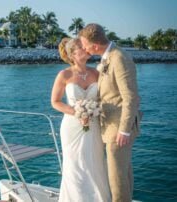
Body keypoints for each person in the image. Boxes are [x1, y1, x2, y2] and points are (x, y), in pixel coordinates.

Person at [79, 23, 140, 202]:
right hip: (112, 125)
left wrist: (124, 130)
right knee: (123, 172)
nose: (84, 48)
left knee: (117, 178)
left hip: (118, 128)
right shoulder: (108, 57)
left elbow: (130, 97)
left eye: (85, 45)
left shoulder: (119, 58)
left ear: (95, 45)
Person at [51, 37, 111, 202]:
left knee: (95, 163)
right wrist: (77, 113)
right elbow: (55, 102)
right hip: (72, 127)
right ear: (72, 53)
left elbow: (105, 98)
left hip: (94, 125)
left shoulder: (96, 73)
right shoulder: (64, 74)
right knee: (75, 166)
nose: (86, 49)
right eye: (81, 47)